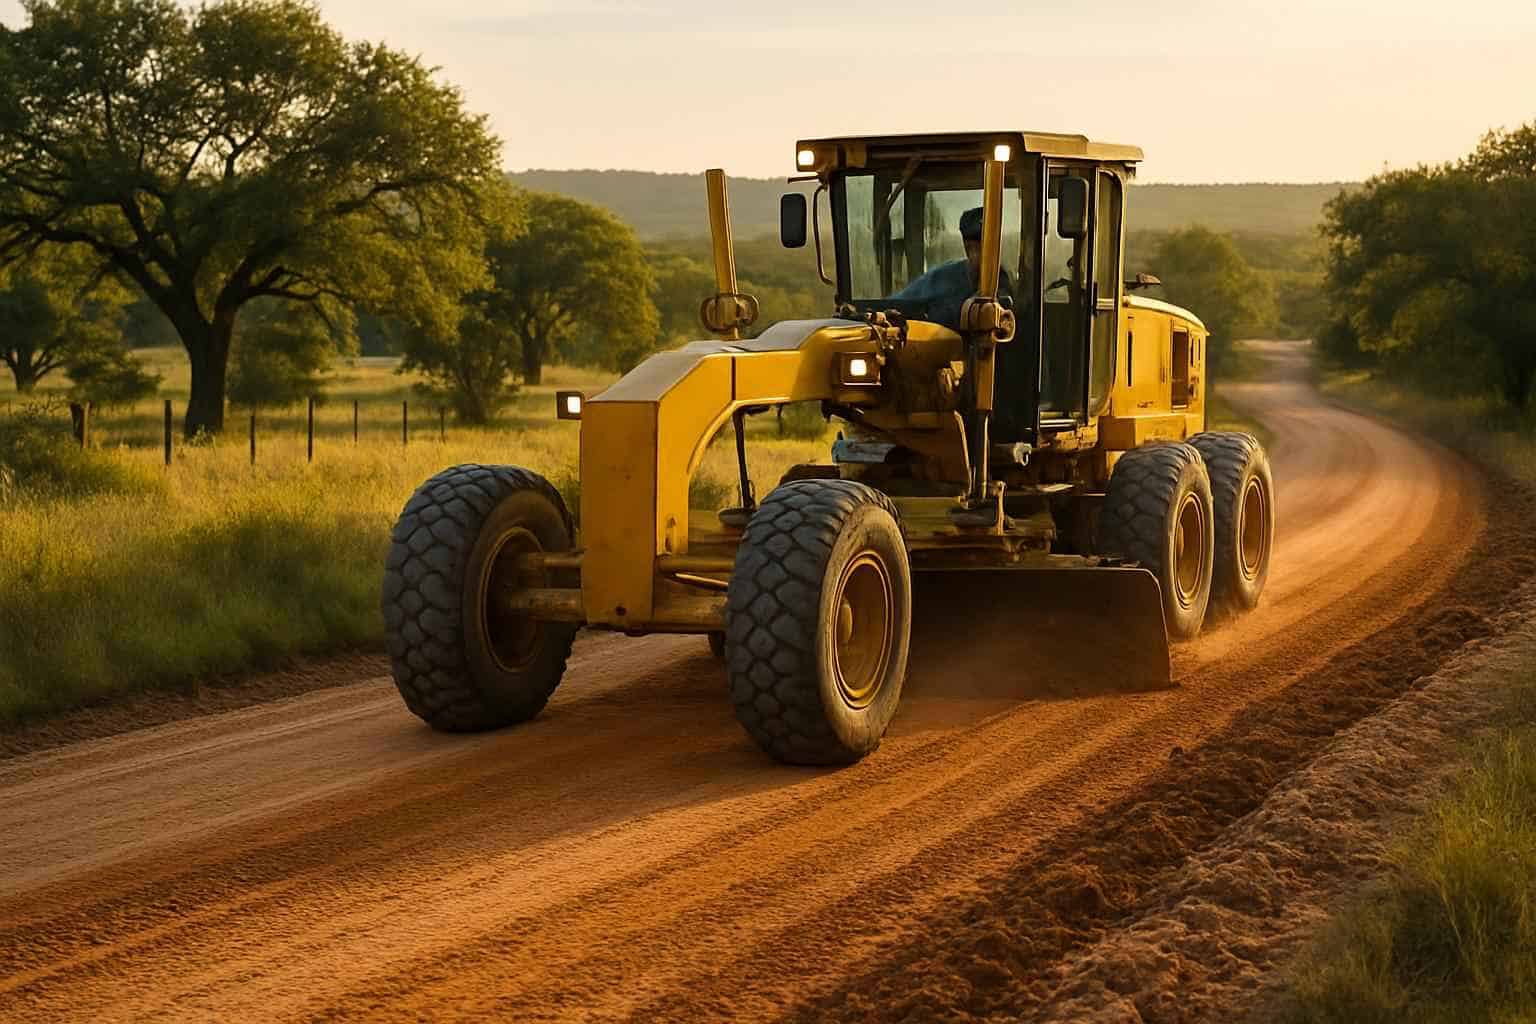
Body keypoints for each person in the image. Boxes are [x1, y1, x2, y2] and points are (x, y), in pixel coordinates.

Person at [886, 206, 1012, 331]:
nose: (975, 257)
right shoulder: (945, 278)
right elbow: (896, 304)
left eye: (981, 249)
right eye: (970, 249)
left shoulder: (1006, 289)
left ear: (996, 247)